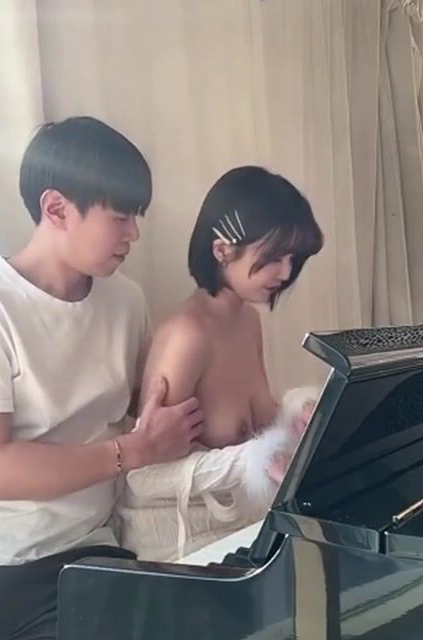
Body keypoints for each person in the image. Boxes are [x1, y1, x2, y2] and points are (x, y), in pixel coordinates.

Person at [0, 116, 203, 640]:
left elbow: (155, 410)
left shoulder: (125, 299)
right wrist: (131, 451)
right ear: (56, 208)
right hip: (9, 563)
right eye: (120, 217)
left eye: (136, 217)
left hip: (101, 546)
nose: (134, 234)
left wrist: (280, 431)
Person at [119, 166, 324, 561]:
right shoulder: (186, 337)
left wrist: (296, 416)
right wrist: (249, 462)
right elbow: (144, 478)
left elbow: (253, 425)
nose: (286, 272)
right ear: (221, 250)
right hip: (180, 550)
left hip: (241, 532)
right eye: (273, 257)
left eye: (292, 258)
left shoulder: (246, 319)